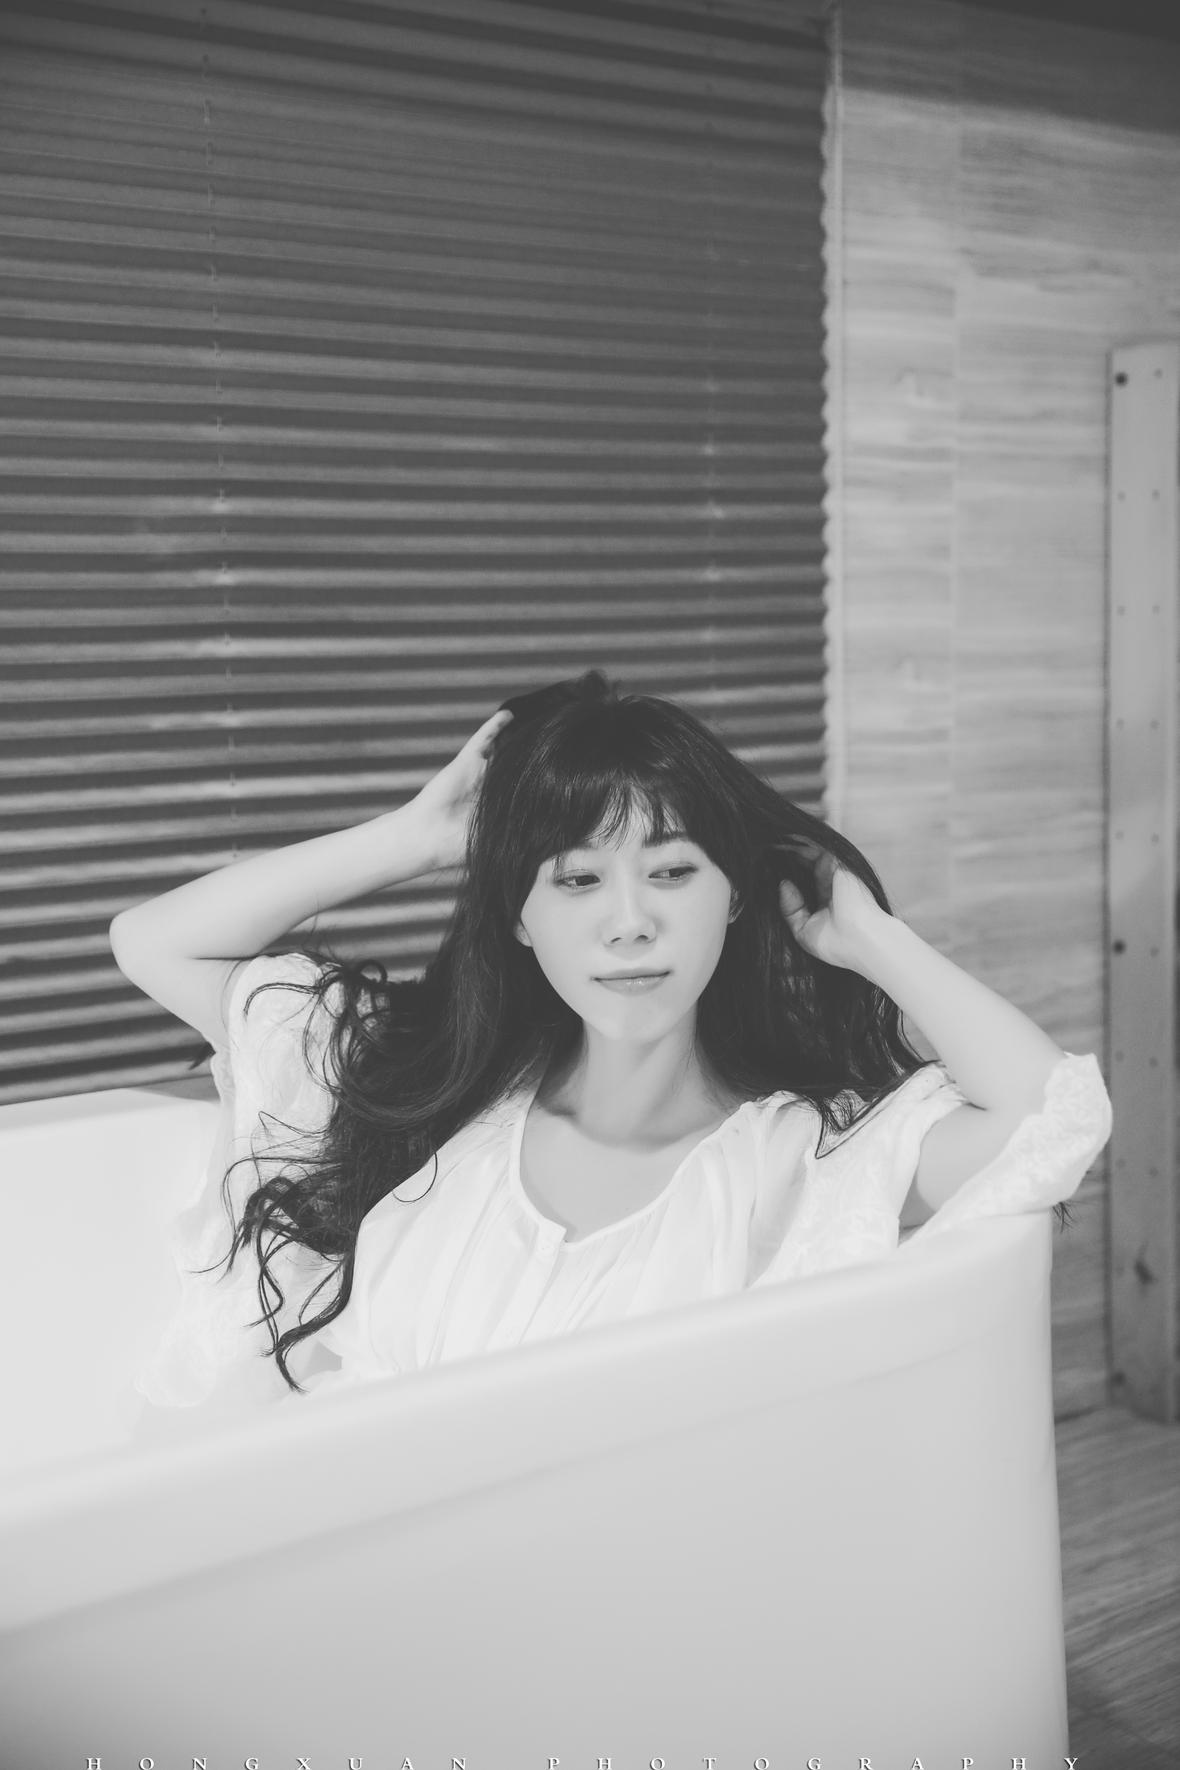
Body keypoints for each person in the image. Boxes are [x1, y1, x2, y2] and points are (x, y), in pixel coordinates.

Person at [110, 669, 1113, 1413]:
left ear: (733, 898)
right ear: (518, 916)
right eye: (577, 880)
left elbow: (1049, 1120)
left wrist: (870, 938)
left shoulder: (796, 1159)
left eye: (672, 873)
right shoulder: (434, 1098)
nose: (629, 923)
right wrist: (418, 838)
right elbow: (154, 943)